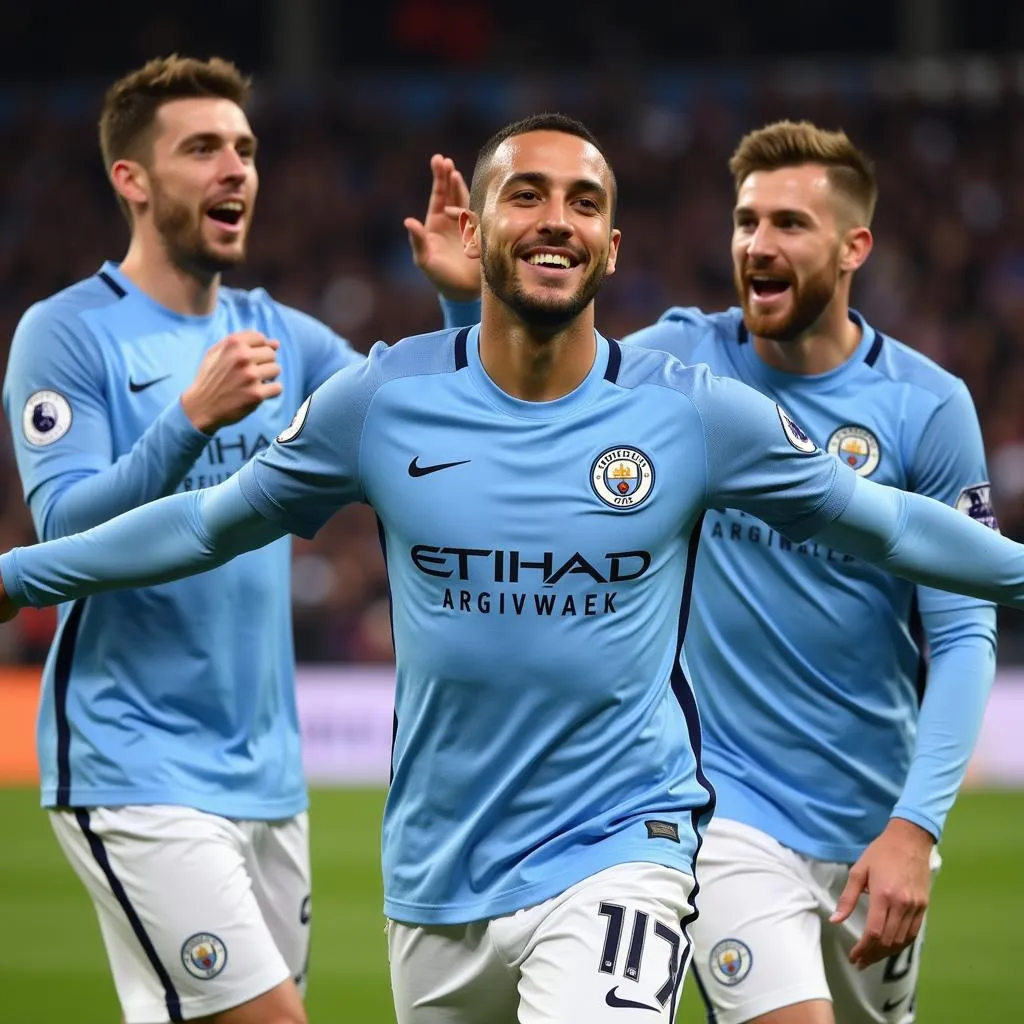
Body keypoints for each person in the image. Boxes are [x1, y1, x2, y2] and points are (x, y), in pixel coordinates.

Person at [0, 113, 1020, 1024]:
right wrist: (20, 575)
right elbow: (204, 526)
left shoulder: (688, 412)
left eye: (583, 202)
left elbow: (887, 526)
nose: (554, 218)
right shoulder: (382, 400)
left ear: (611, 248)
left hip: (623, 841)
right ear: (475, 230)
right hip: (441, 871)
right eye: (524, 193)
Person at [418, 122, 997, 1024]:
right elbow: (534, 401)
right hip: (720, 806)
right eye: (745, 221)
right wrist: (471, 306)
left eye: (791, 225)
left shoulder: (927, 407)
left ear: (855, 248)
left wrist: (916, 826)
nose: (759, 245)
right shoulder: (678, 366)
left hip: (869, 811)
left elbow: (961, 636)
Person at [2, 56, 362, 1024]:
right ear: (133, 179)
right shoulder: (68, 334)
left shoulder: (280, 334)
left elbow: (427, 423)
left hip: (266, 769)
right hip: (134, 759)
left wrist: (460, 306)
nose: (235, 169)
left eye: (244, 149)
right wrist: (188, 420)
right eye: (202, 148)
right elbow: (65, 530)